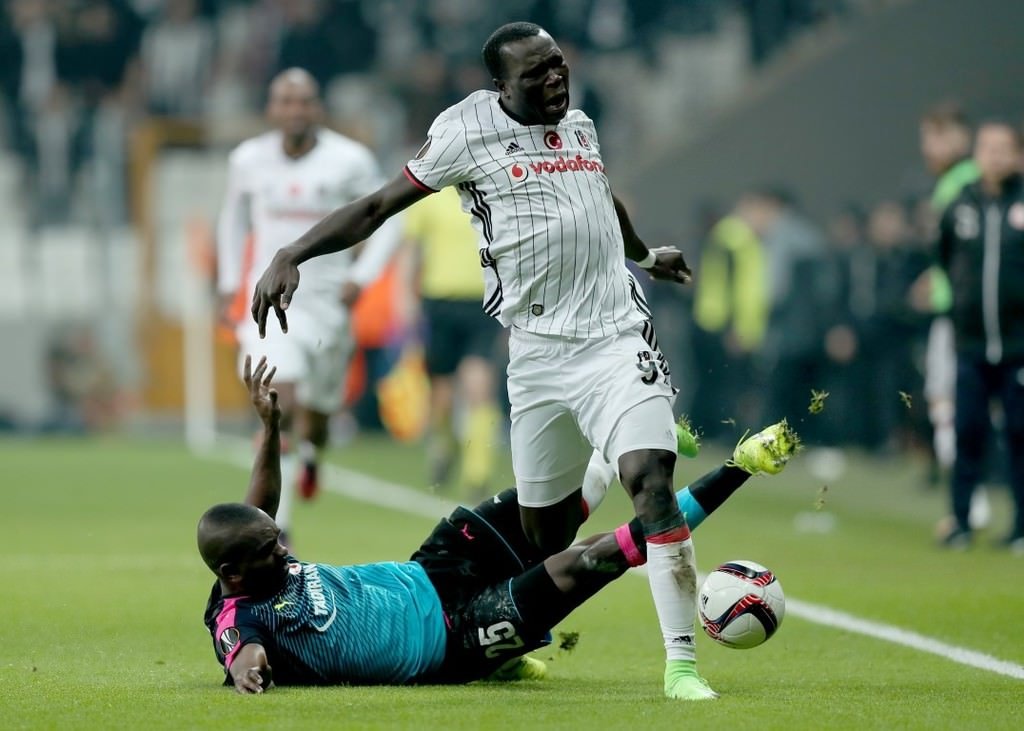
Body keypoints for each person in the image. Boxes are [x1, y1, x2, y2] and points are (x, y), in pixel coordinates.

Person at [248, 22, 800, 699]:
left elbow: (601, 197)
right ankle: (605, 459)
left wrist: (645, 255)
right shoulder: (463, 133)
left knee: (651, 483)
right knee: (547, 531)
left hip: (614, 336)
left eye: (559, 64)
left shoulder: (581, 125)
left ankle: (681, 663)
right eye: (537, 73)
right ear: (501, 86)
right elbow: (375, 207)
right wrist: (290, 254)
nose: (555, 79)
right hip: (537, 355)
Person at [200, 356, 798, 693]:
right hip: (456, 638)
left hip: (432, 568)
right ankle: (740, 467)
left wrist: (272, 427)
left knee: (559, 509)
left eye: (276, 538)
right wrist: (249, 672)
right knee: (592, 558)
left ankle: (637, 436)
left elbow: (260, 508)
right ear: (232, 572)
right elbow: (242, 653)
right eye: (270, 549)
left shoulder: (253, 552)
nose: (283, 547)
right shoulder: (239, 616)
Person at [216, 68, 398, 540]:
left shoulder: (349, 160)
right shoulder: (248, 159)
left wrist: (361, 277)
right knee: (282, 404)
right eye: (285, 101)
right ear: (271, 108)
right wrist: (228, 280)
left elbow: (388, 221)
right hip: (270, 306)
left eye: (305, 101)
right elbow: (232, 221)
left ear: (317, 108)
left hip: (327, 308)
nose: (295, 110)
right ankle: (281, 524)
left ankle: (313, 455)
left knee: (315, 418)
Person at [935, 120, 1024, 551]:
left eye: (1003, 147)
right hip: (970, 344)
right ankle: (962, 523)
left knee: (1019, 435)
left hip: (1018, 347)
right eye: (986, 147)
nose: (994, 155)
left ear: (1017, 155)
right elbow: (945, 257)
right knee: (968, 432)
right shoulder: (960, 205)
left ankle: (1020, 528)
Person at [400, 187, 503, 497]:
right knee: (442, 395)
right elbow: (411, 250)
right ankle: (445, 446)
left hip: (483, 303)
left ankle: (477, 474)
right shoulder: (430, 195)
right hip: (439, 302)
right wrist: (405, 298)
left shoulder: (492, 194)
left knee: (479, 385)